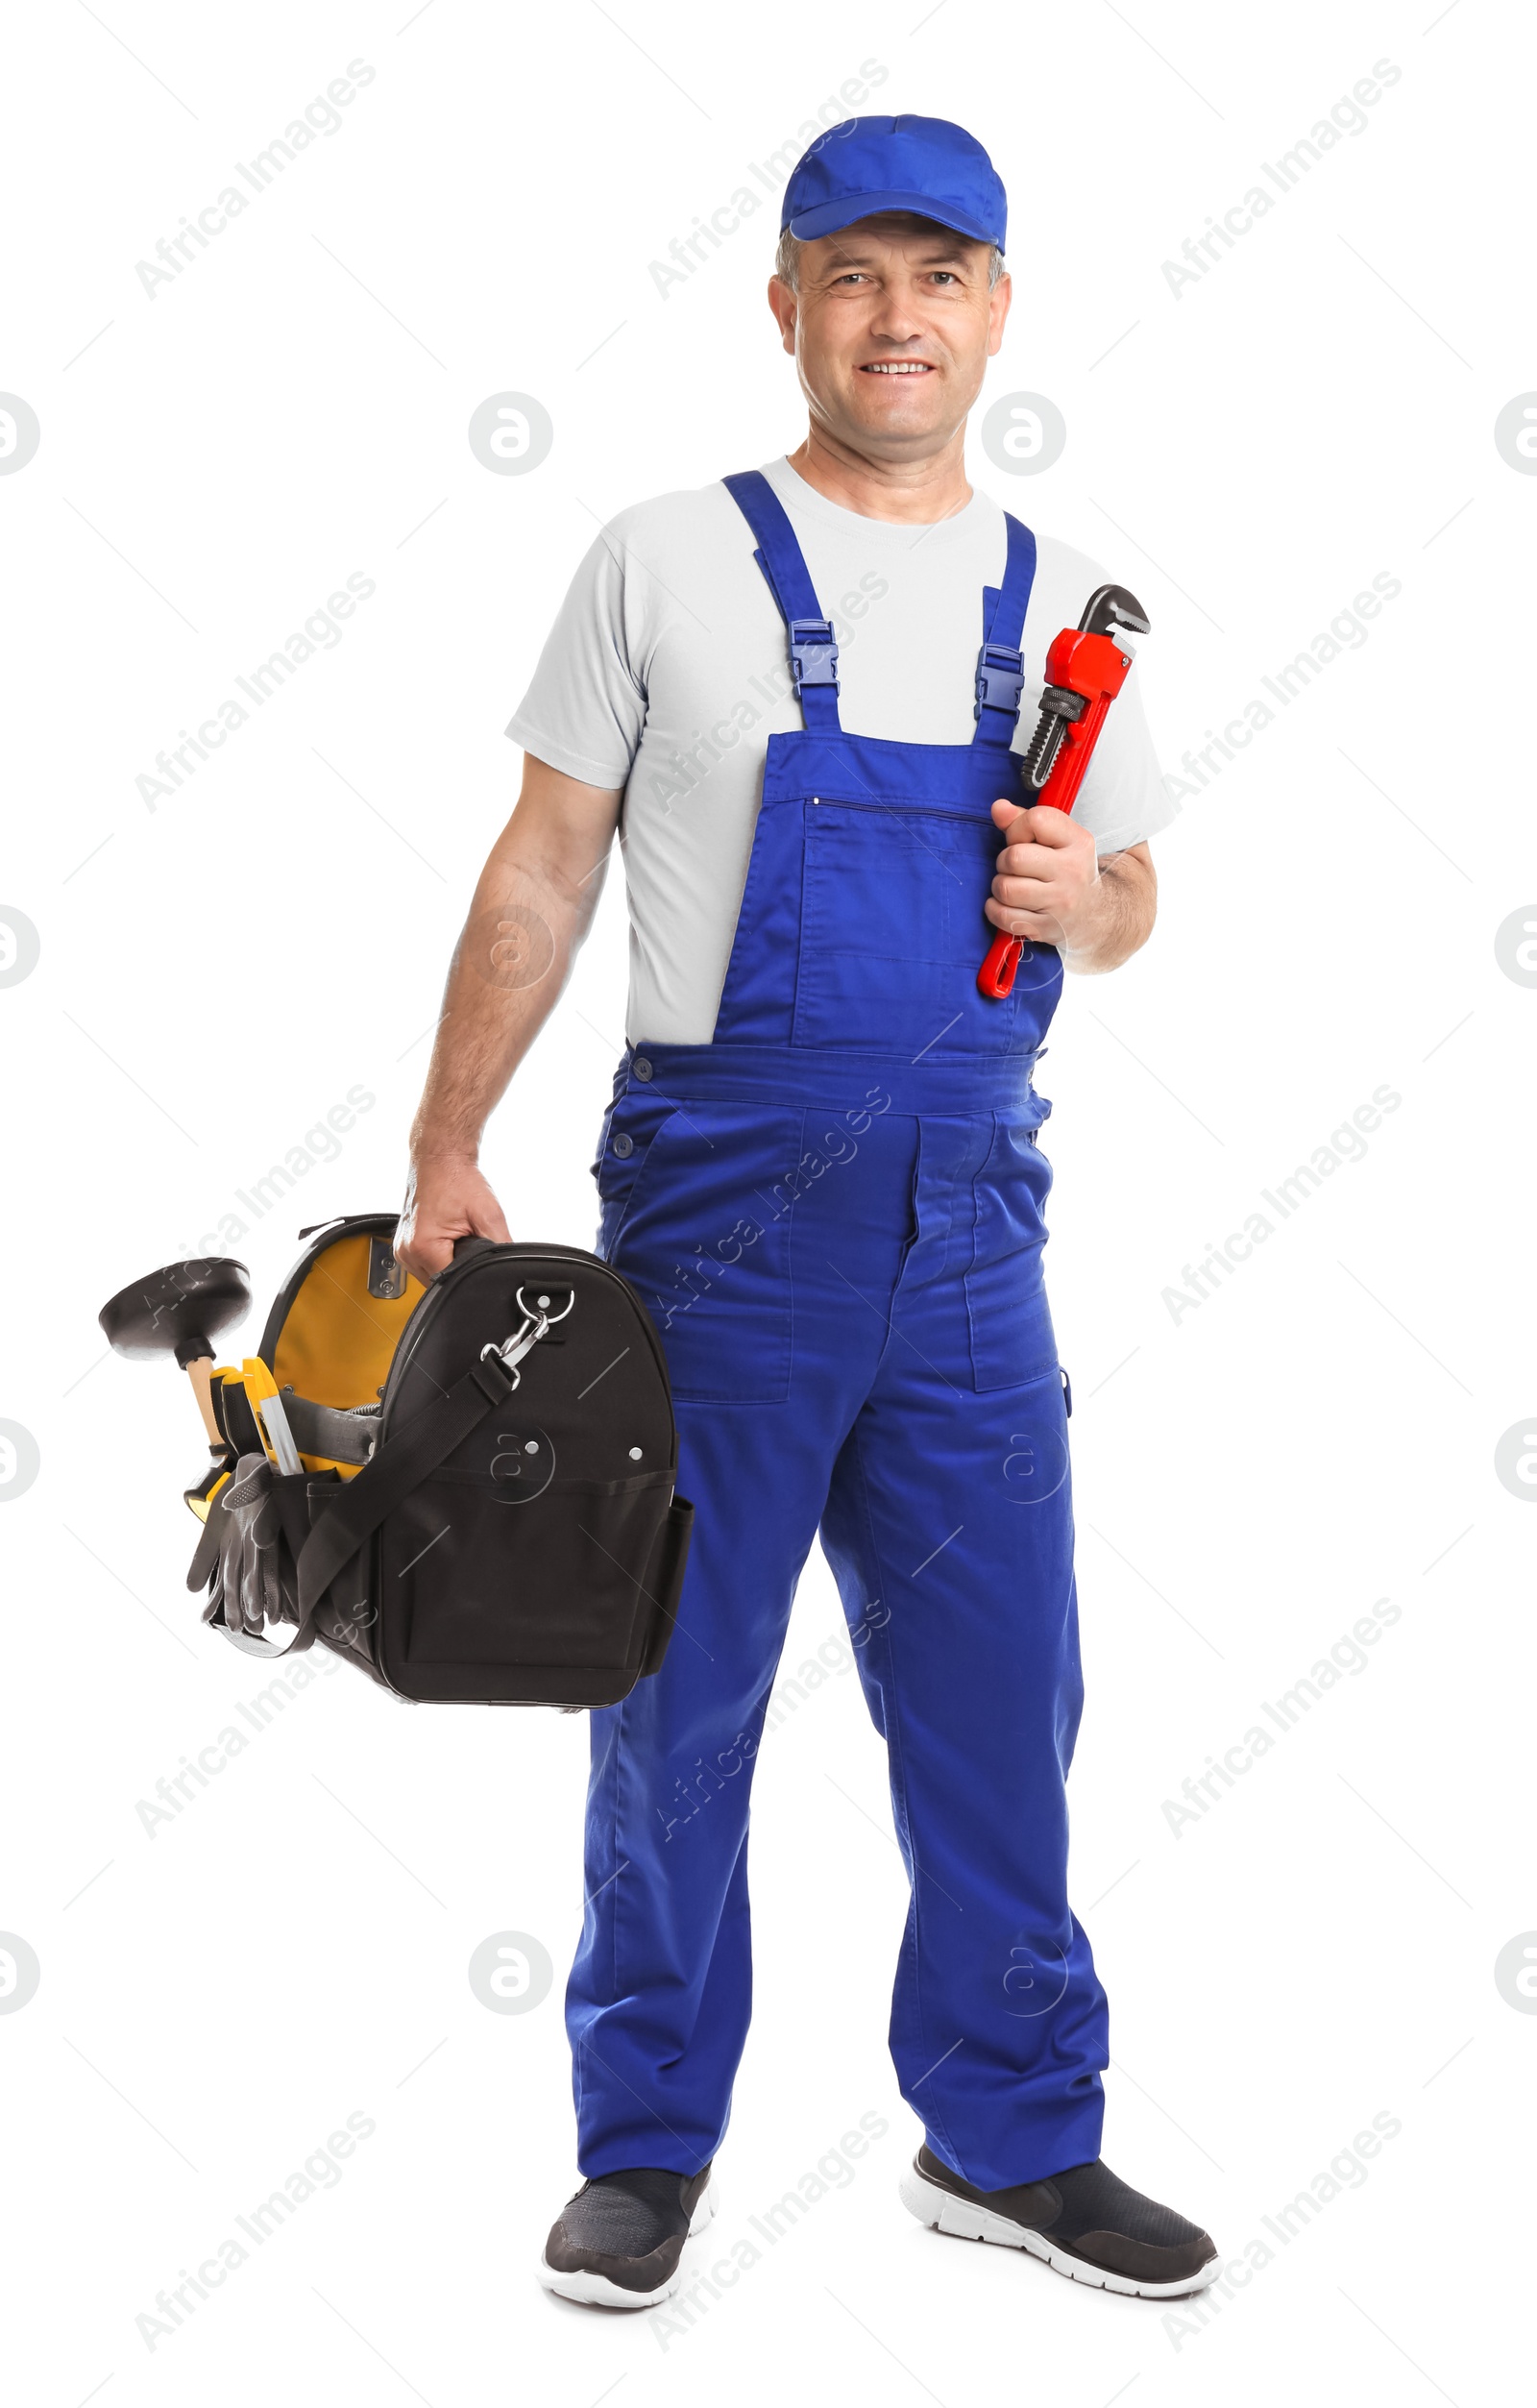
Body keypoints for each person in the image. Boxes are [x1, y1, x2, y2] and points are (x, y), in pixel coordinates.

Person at [396, 113, 1220, 2309]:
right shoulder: (661, 556)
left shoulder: (1059, 595)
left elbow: (1128, 893)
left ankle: (1010, 2132)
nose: (895, 317)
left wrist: (1091, 898)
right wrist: (443, 1140)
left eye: (936, 277)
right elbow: (545, 864)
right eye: (851, 274)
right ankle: (645, 2140)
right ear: (782, 302)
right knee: (670, 1688)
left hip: (971, 1238)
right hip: (719, 1229)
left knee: (995, 1692)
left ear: (995, 313)